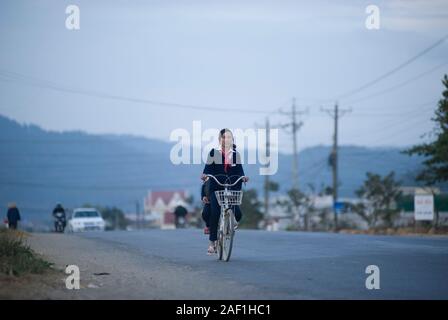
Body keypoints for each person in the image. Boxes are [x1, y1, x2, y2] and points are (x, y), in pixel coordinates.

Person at [201, 128, 249, 255]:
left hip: (231, 187)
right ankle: (212, 242)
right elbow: (208, 169)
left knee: (237, 213)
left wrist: (243, 177)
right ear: (219, 139)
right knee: (215, 211)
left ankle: (228, 227)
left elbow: (240, 171)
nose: (225, 140)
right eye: (223, 137)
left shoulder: (235, 155)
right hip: (216, 187)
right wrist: (205, 175)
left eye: (228, 137)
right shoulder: (213, 153)